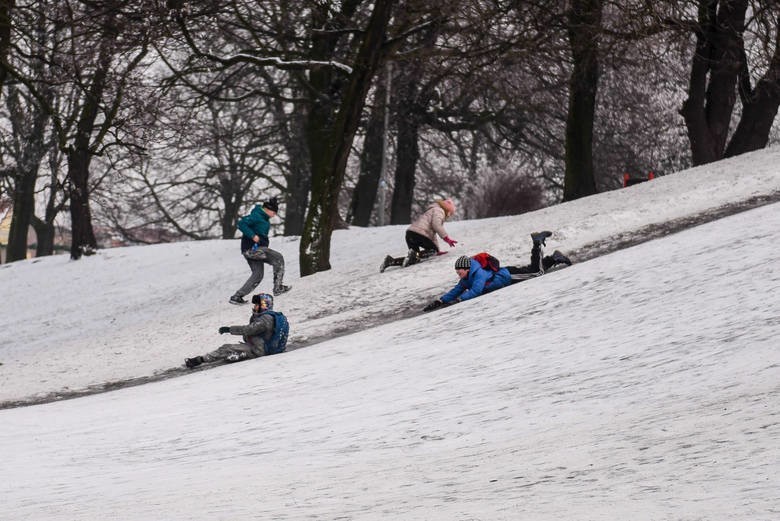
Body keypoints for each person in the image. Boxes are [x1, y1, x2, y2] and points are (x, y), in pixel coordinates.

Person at [422, 231, 572, 312]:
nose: (458, 274)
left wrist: (460, 300)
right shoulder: (466, 279)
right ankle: (554, 258)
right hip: (506, 274)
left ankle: (537, 244)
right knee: (532, 269)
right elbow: (456, 290)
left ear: (466, 268)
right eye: (457, 272)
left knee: (536, 272)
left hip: (508, 277)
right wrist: (440, 301)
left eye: (459, 270)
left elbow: (476, 291)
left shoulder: (478, 274)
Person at [185, 293, 289, 368]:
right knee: (231, 349)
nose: (254, 307)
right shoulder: (266, 317)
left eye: (257, 305)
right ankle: (240, 354)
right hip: (261, 347)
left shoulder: (265, 319)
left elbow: (249, 330)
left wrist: (229, 329)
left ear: (264, 305)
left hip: (259, 350)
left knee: (225, 348)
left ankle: (199, 360)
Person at [229, 196, 291, 305]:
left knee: (258, 274)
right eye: (274, 212)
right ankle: (278, 287)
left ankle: (237, 297)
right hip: (253, 250)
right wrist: (253, 236)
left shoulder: (263, 219)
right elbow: (241, 223)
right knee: (278, 258)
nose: (274, 215)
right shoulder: (256, 216)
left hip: (251, 251)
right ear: (268, 210)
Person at [380, 198, 459, 272]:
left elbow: (432, 234)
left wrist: (437, 250)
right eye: (450, 214)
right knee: (430, 252)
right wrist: (446, 239)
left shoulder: (432, 210)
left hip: (410, 233)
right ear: (448, 211)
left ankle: (391, 261)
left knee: (414, 258)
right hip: (419, 234)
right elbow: (436, 225)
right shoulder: (440, 211)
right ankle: (413, 255)